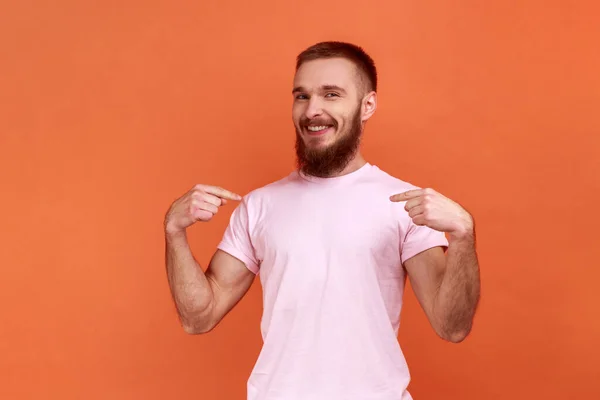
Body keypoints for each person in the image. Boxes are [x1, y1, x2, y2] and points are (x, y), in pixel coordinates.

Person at [164, 41, 481, 400]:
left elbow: (451, 326)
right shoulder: (258, 206)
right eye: (302, 96)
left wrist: (463, 236)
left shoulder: (402, 204)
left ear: (368, 105)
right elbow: (198, 316)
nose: (313, 110)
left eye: (331, 94)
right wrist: (174, 232)